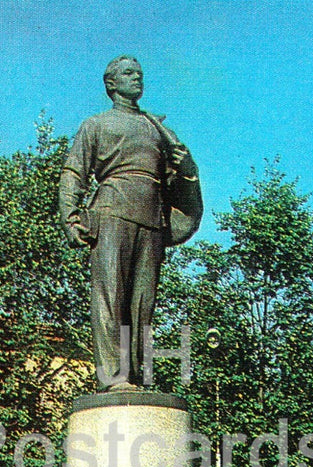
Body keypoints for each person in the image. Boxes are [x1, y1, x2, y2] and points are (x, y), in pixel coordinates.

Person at [59, 55, 202, 390]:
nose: (137, 77)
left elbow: (176, 181)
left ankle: (135, 376)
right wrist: (69, 218)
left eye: (139, 73)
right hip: (111, 213)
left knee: (142, 304)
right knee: (110, 296)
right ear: (111, 83)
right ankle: (113, 377)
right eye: (128, 73)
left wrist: (188, 168)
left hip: (151, 219)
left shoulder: (158, 129)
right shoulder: (96, 124)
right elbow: (74, 172)